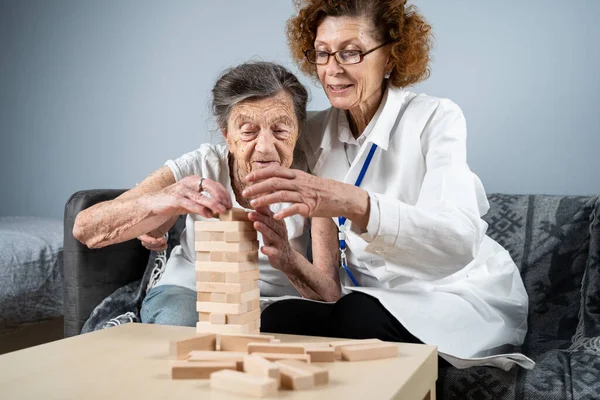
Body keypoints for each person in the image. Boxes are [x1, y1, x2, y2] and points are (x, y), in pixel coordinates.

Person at [242, 1, 533, 370]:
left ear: (392, 58)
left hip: (451, 291)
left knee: (357, 320)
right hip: (365, 297)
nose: (332, 69)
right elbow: (236, 145)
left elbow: (457, 242)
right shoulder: (313, 132)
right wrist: (161, 198)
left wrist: (355, 203)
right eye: (322, 53)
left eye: (351, 52)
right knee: (275, 322)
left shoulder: (436, 119)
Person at [73, 61, 341, 326]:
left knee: (285, 332)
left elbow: (329, 294)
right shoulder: (201, 164)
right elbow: (85, 228)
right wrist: (164, 199)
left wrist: (287, 257)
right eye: (248, 132)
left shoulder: (314, 180)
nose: (265, 148)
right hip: (192, 292)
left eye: (281, 130)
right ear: (227, 135)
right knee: (182, 324)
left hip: (278, 301)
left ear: (298, 131)